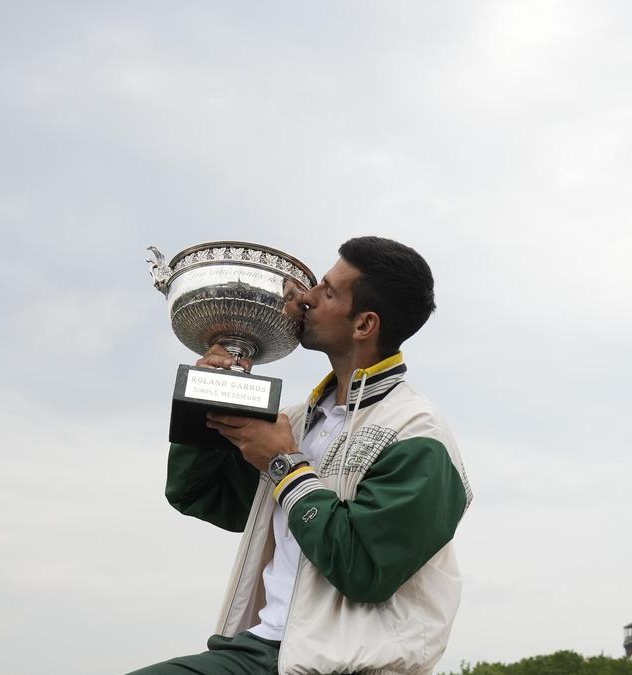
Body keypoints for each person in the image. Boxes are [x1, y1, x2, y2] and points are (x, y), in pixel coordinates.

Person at [131, 237, 472, 675]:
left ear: (364, 324)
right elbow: (200, 494)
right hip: (259, 650)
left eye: (327, 291)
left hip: (353, 665)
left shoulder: (418, 433)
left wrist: (285, 465)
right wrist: (210, 398)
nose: (306, 297)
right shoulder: (294, 421)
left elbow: (364, 569)